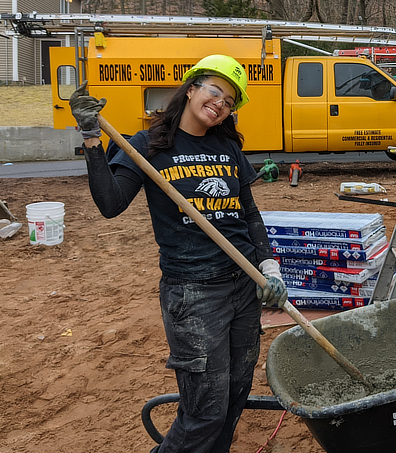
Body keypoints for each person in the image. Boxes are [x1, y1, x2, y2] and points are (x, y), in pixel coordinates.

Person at [69, 54, 288, 453]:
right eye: (214, 91)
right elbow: (110, 203)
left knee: (235, 396)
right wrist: (90, 137)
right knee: (204, 410)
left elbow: (249, 213)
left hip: (244, 286)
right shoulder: (148, 145)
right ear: (191, 89)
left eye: (230, 101)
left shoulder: (227, 147)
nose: (221, 103)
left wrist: (269, 266)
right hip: (194, 293)